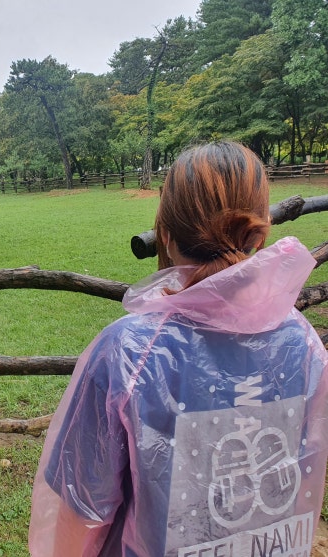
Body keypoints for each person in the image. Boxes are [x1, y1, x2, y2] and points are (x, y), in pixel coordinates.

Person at [29, 141, 328, 556]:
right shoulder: (304, 346)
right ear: (260, 235)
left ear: (165, 236)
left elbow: (80, 514)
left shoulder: (129, 354)